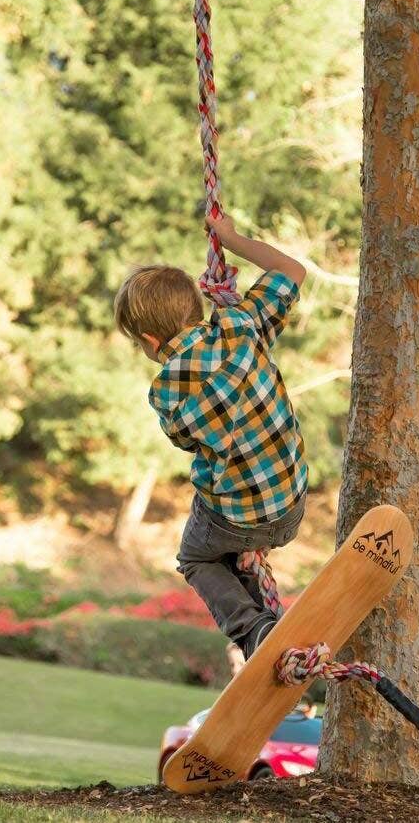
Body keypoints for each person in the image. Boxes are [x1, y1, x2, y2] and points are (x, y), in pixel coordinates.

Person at [114, 213, 308, 660]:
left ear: (148, 339)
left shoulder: (164, 391)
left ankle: (255, 630)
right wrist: (233, 240)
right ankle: (255, 594)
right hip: (292, 505)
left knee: (196, 557)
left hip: (238, 519)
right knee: (221, 519)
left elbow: (187, 441)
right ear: (196, 308)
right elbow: (292, 272)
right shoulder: (241, 323)